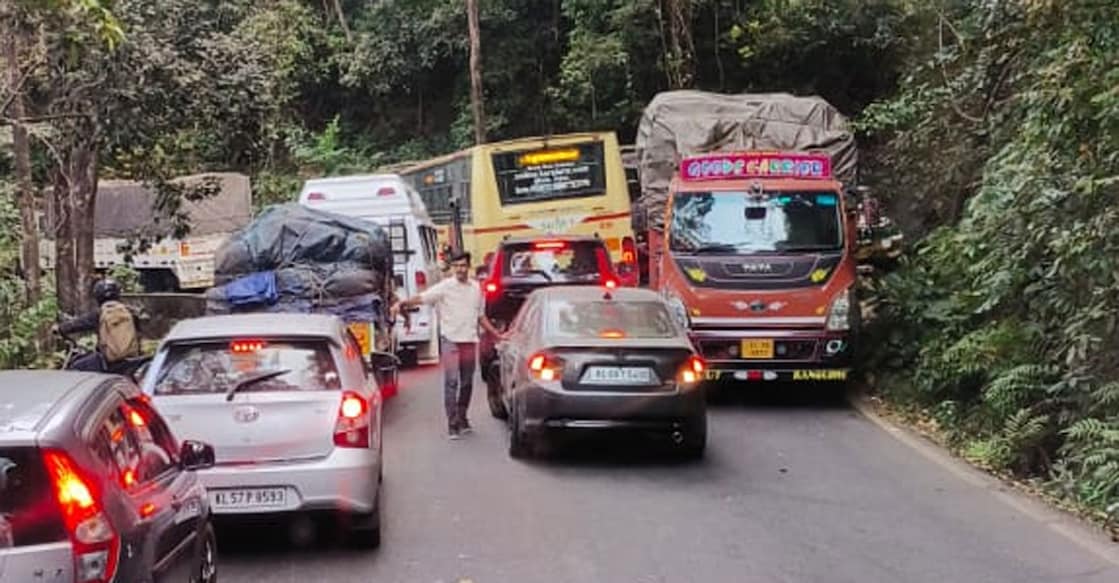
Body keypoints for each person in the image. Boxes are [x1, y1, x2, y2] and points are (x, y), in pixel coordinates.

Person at [392, 251, 504, 439]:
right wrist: (402, 303)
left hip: (469, 340)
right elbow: (422, 298)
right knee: (451, 382)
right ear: (452, 268)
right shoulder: (445, 287)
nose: (460, 269)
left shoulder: (477, 288)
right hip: (450, 340)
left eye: (463, 266)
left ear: (468, 266)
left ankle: (462, 417)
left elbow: (480, 316)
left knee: (467, 383)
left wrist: (496, 334)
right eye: (457, 266)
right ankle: (452, 424)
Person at [54, 278, 142, 373]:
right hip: (132, 360)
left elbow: (78, 324)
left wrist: (60, 328)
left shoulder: (100, 313)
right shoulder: (130, 313)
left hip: (108, 361)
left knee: (75, 367)